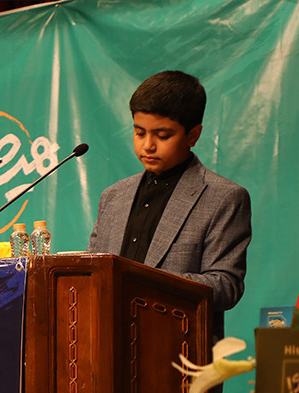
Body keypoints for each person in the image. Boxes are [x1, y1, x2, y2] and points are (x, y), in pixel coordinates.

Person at [87, 70, 250, 343]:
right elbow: (93, 273)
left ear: (193, 135)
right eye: (139, 133)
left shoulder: (224, 197)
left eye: (162, 135)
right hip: (107, 344)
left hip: (178, 350)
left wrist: (143, 282)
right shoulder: (113, 196)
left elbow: (226, 286)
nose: (147, 146)